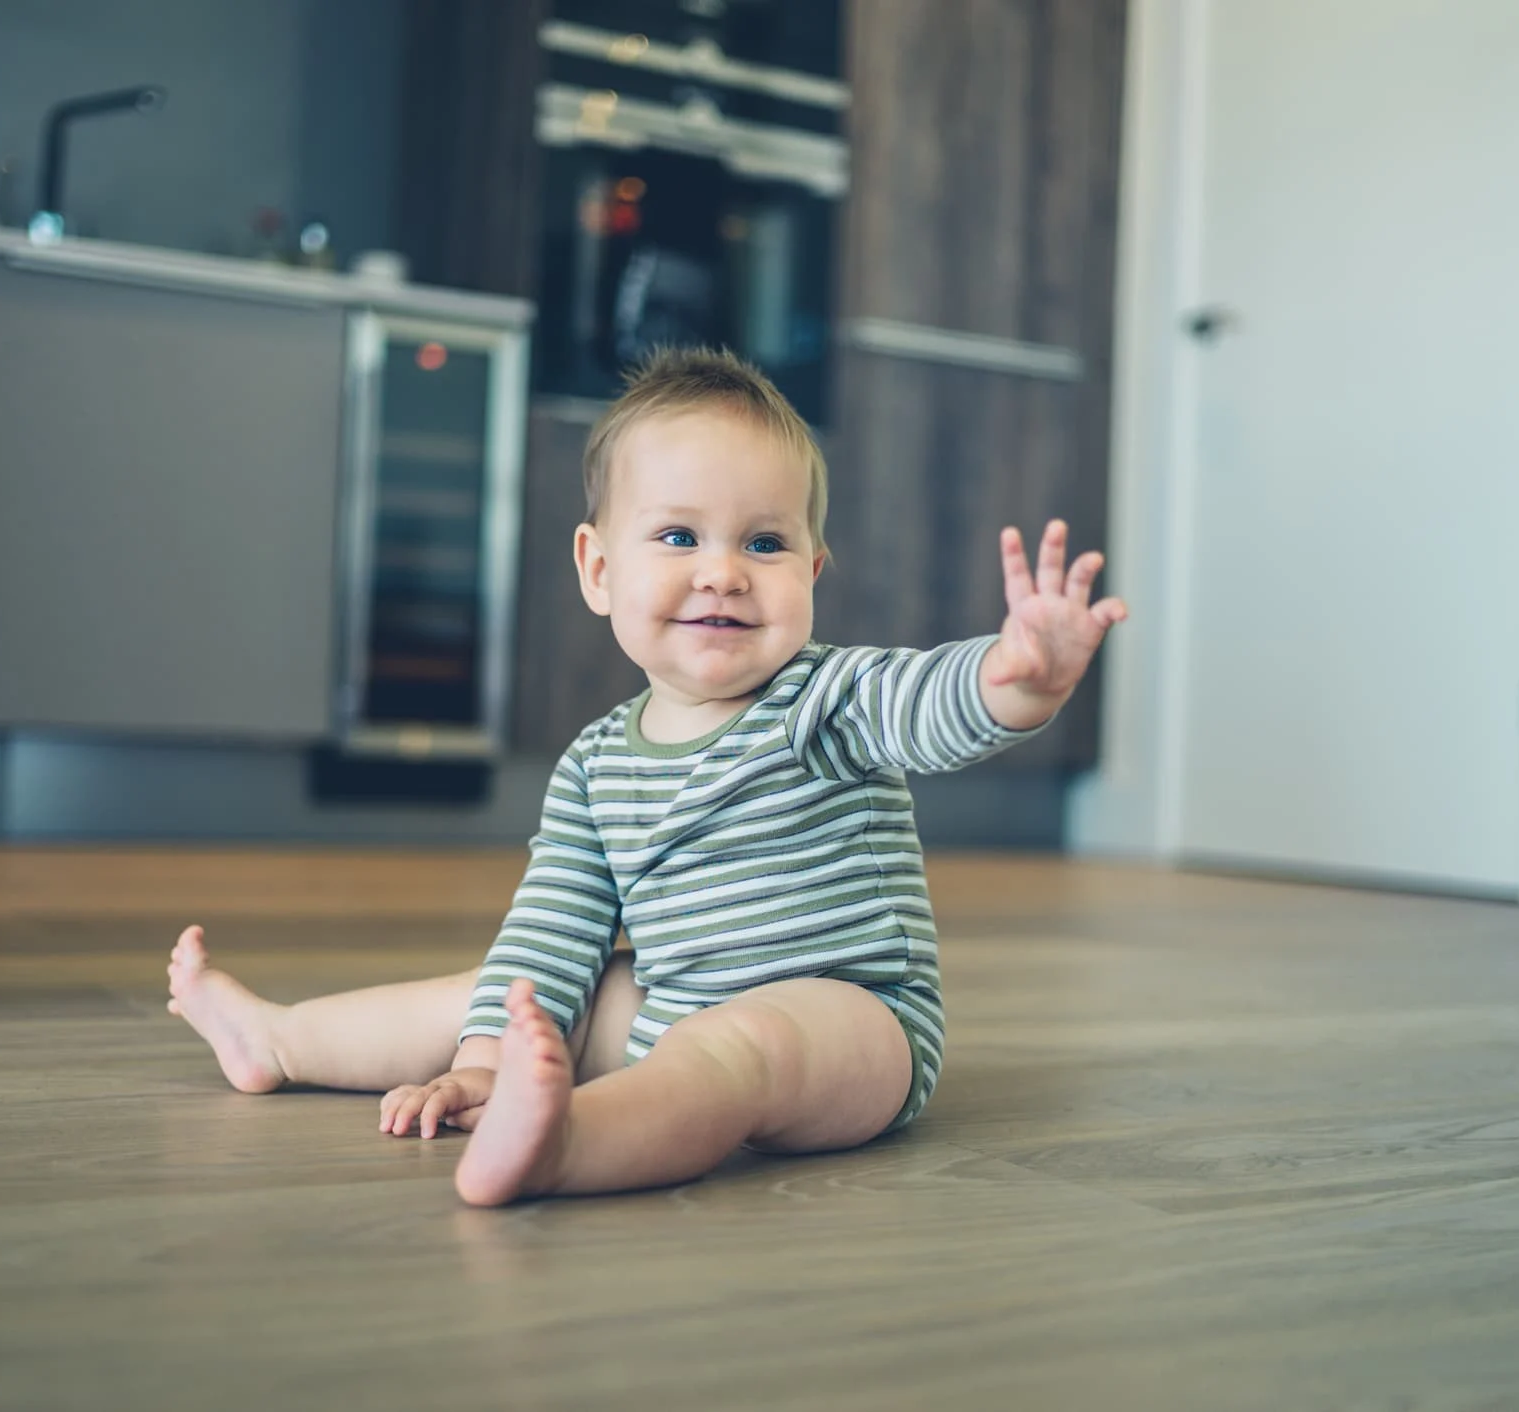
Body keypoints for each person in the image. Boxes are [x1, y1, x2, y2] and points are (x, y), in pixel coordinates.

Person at [166, 347, 1128, 1206]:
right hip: (676, 996)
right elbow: (554, 926)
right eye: (678, 538)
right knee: (507, 993)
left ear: (814, 572)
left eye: (764, 542)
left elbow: (926, 705)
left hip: (852, 1020)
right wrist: (485, 1060)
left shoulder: (827, 697)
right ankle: (281, 1041)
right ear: (597, 570)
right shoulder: (593, 764)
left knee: (737, 1050)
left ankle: (567, 1145)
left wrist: (1015, 684)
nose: (722, 572)